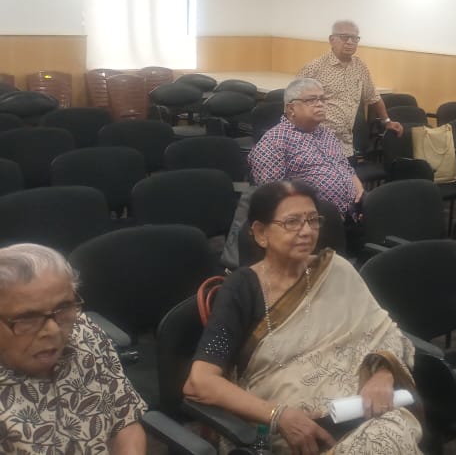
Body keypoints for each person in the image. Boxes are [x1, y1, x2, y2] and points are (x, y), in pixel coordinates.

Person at [185, 180, 422, 454]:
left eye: (312, 220)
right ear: (261, 233)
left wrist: (382, 374)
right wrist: (279, 415)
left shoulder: (337, 271)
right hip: (287, 429)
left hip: (360, 410)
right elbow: (200, 381)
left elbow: (385, 332)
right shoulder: (241, 289)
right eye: (292, 222)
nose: (307, 231)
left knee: (391, 432)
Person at [0, 243, 147, 453]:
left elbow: (125, 423)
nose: (53, 330)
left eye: (63, 308)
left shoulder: (85, 334)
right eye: (28, 318)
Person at [249, 78, 364, 222]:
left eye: (322, 99)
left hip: (353, 212)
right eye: (311, 100)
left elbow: (344, 166)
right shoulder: (274, 141)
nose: (320, 104)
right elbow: (272, 196)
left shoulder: (326, 133)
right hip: (311, 221)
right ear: (291, 109)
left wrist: (358, 186)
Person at [297, 20, 404, 156]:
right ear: (332, 40)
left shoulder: (359, 67)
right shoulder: (315, 68)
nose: (350, 42)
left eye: (354, 38)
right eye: (344, 37)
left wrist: (387, 121)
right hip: (317, 142)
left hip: (346, 144)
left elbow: (373, 97)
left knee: (348, 170)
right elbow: (293, 101)